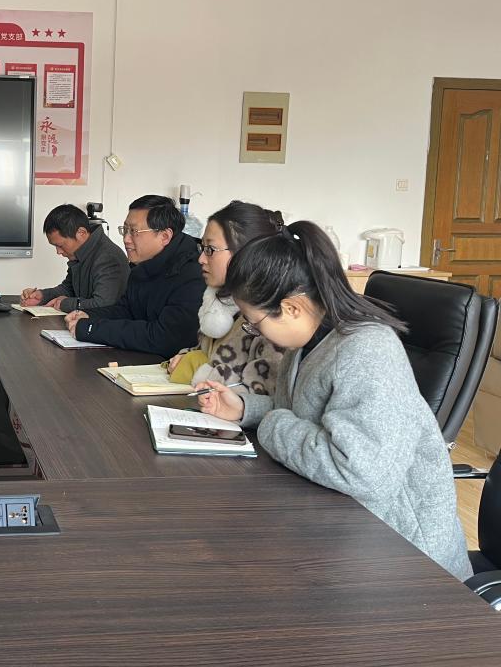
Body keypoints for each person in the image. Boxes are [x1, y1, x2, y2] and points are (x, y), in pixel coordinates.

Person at [196, 221, 471, 581]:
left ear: (292, 308)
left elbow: (360, 472)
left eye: (254, 323)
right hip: (343, 527)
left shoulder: (367, 351)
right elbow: (305, 415)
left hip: (406, 561)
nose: (255, 332)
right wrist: (246, 408)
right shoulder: (308, 341)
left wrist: (271, 424)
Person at [167, 200, 287, 393]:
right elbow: (203, 352)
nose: (201, 259)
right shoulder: (218, 301)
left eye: (210, 250)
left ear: (246, 253)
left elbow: (261, 394)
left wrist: (195, 366)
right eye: (202, 248)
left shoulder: (271, 317)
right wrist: (185, 357)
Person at [64, 195, 205, 357]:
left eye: (134, 231)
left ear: (165, 236)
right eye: (125, 230)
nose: (126, 239)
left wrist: (91, 329)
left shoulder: (193, 274)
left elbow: (165, 338)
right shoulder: (142, 265)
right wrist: (89, 316)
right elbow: (126, 310)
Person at [20, 204, 129, 313]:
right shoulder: (81, 253)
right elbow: (69, 288)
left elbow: (102, 305)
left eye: (60, 245)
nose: (58, 252)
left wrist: (64, 303)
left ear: (81, 233)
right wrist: (42, 296)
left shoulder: (109, 258)